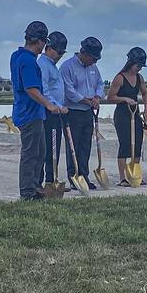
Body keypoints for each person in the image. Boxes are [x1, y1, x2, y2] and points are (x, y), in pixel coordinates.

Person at [10, 21, 64, 201]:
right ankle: (27, 191)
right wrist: (48, 104)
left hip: (31, 113)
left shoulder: (17, 56)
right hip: (30, 113)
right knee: (31, 154)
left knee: (40, 152)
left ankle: (35, 186)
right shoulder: (28, 61)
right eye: (44, 42)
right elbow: (31, 89)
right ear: (40, 42)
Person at [60, 37, 105, 190]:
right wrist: (86, 100)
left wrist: (97, 97)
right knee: (74, 146)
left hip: (88, 113)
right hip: (72, 112)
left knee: (86, 146)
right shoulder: (67, 67)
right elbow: (69, 91)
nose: (94, 62)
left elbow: (100, 83)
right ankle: (73, 176)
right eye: (93, 58)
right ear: (84, 54)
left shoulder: (93, 68)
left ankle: (84, 175)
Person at [107, 47, 147, 187]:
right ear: (131, 63)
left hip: (135, 113)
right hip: (122, 115)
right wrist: (125, 99)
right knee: (125, 144)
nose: (139, 69)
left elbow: (144, 94)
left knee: (137, 142)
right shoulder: (120, 78)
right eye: (138, 66)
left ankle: (135, 173)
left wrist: (146, 109)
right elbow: (110, 98)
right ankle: (122, 178)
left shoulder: (139, 78)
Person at [38, 31, 69, 188]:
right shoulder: (43, 65)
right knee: (49, 149)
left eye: (63, 52)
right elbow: (44, 90)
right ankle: (46, 181)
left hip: (57, 112)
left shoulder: (52, 66)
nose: (60, 55)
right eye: (59, 52)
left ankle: (52, 179)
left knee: (54, 149)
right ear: (49, 48)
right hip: (49, 113)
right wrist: (54, 105)